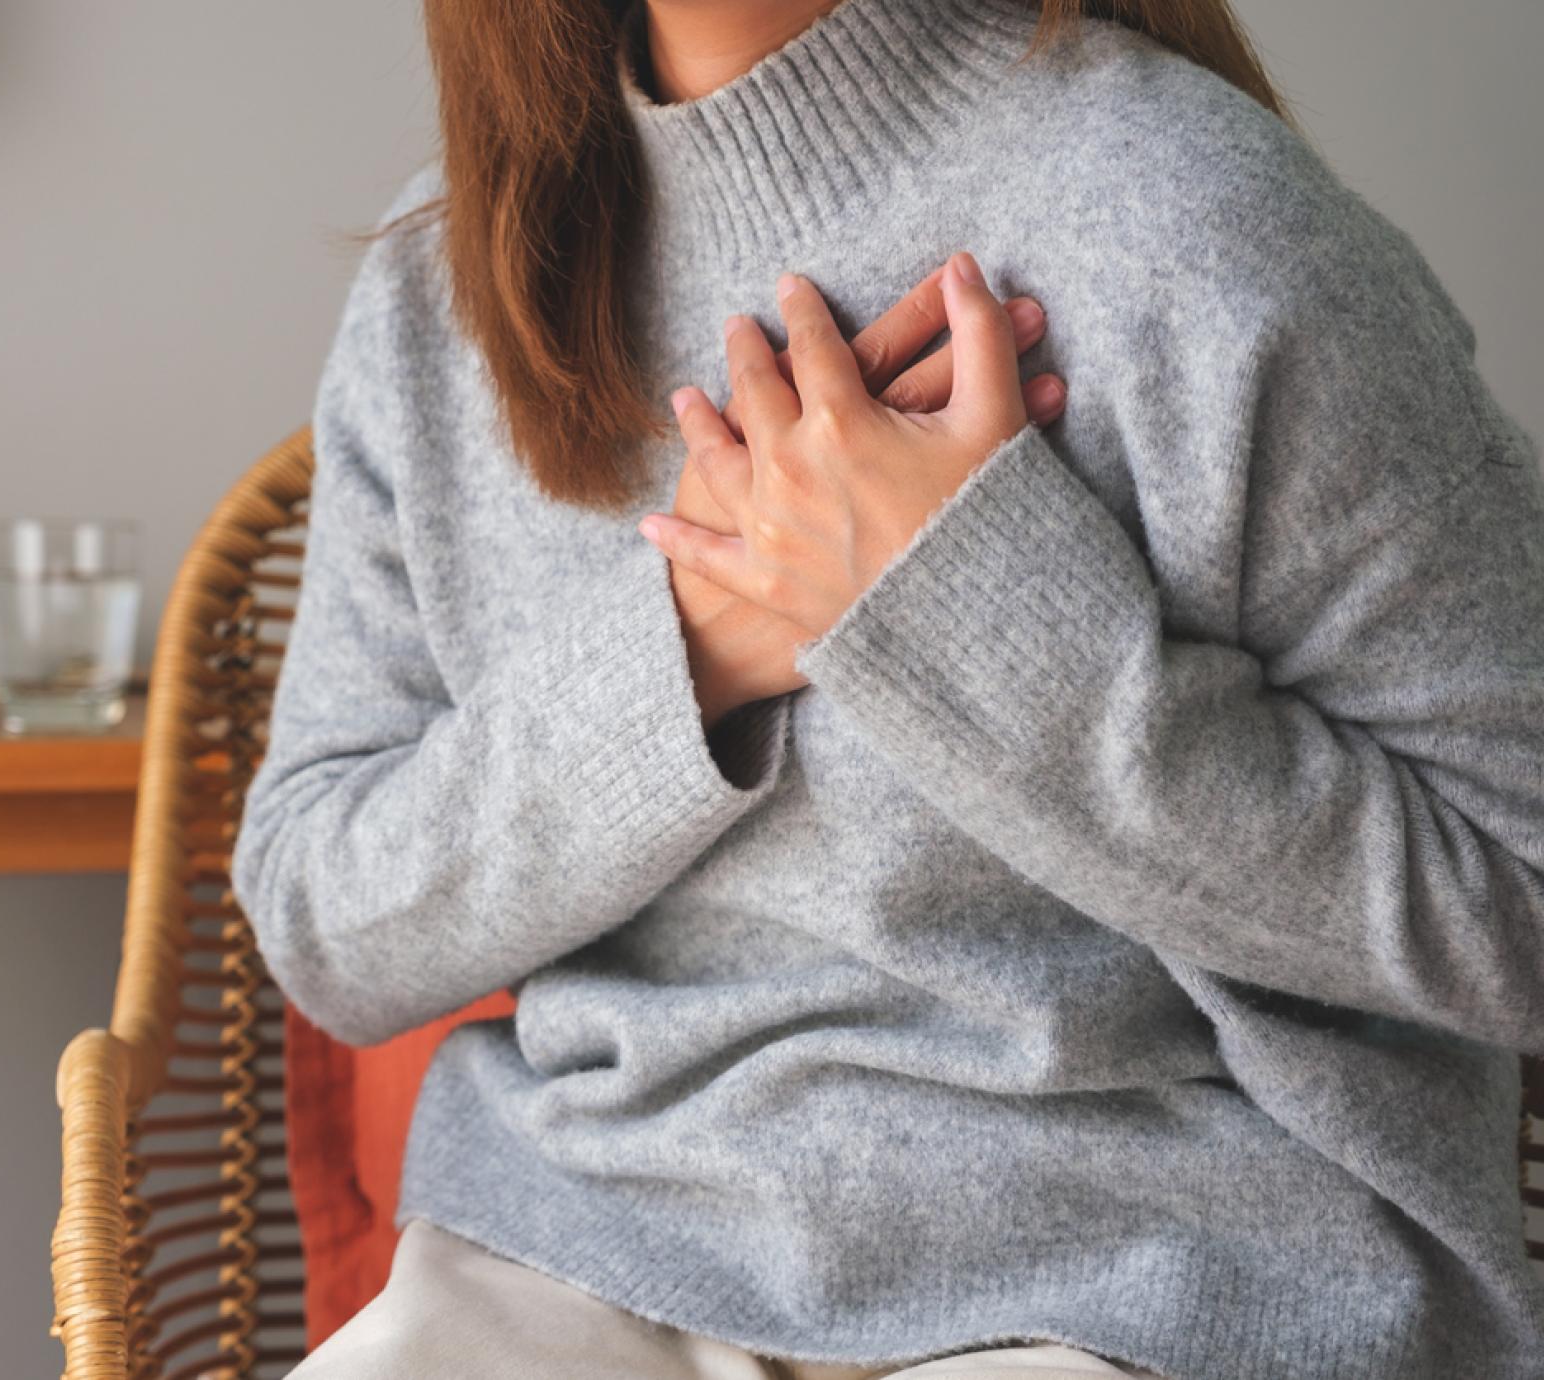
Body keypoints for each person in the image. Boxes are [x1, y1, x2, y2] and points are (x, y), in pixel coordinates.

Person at [231, 0, 1544, 1376]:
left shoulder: (1184, 212)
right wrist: (694, 639)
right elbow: (324, 921)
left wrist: (964, 612)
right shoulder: (452, 283)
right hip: (583, 1259)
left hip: (1160, 1276)